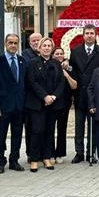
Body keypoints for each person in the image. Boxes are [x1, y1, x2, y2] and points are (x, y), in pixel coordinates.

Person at [24, 37, 64, 172]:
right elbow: (32, 82)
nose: (47, 48)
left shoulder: (56, 64)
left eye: (49, 46)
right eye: (44, 45)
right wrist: (45, 96)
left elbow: (61, 83)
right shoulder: (32, 63)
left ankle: (47, 157)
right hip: (37, 104)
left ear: (52, 48)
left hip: (53, 104)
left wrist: (53, 96)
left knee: (49, 131)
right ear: (39, 48)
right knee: (37, 130)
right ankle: (34, 159)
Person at [0, 34, 27, 173]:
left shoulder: (22, 61)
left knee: (17, 135)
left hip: (19, 106)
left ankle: (14, 161)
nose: (13, 45)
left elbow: (25, 84)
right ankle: (0, 162)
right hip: (3, 107)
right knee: (1, 136)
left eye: (15, 43)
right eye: (10, 42)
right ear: (5, 43)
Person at [69, 24, 99, 163]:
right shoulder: (75, 51)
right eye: (87, 33)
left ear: (96, 35)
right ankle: (79, 153)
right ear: (83, 35)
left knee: (93, 127)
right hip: (80, 94)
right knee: (79, 126)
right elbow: (73, 72)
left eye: (92, 33)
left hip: (95, 95)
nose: (89, 36)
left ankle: (91, 152)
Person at [52, 47, 77, 163]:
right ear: (53, 55)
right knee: (50, 129)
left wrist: (66, 75)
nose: (59, 55)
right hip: (52, 102)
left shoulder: (69, 68)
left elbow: (74, 86)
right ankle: (50, 153)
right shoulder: (49, 66)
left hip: (65, 102)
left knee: (62, 128)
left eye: (61, 53)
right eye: (56, 53)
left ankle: (60, 153)